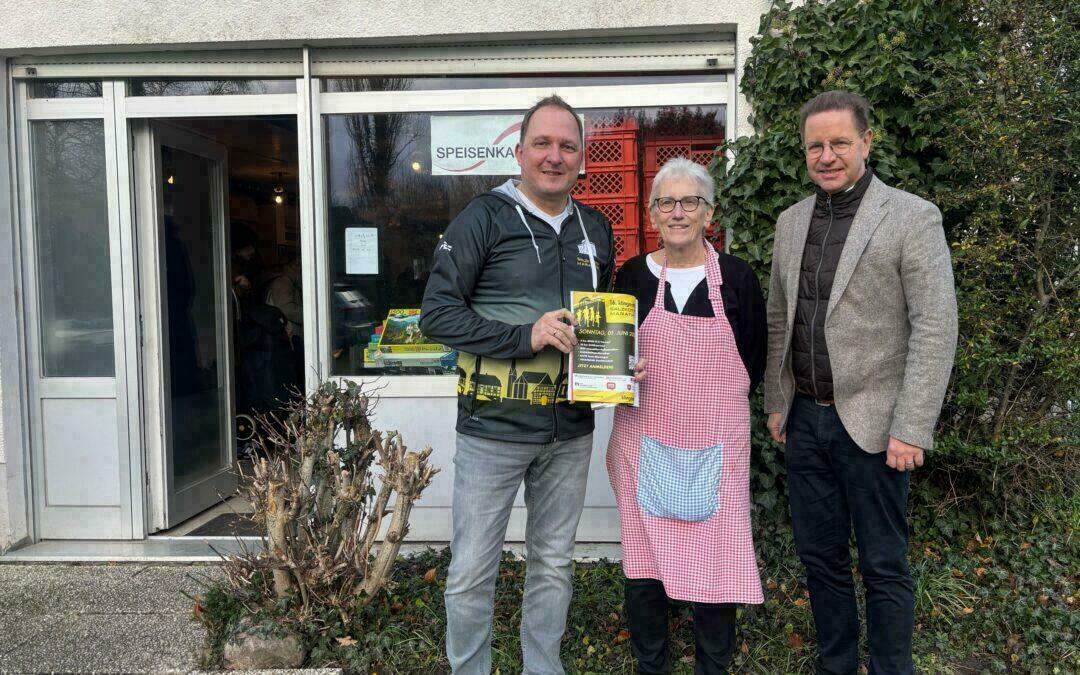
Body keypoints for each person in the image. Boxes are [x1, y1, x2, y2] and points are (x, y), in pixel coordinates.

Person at [420, 95, 642, 674]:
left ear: (582, 158)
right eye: (542, 144)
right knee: (472, 569)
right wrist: (527, 335)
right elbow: (437, 315)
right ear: (518, 151)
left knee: (553, 563)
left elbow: (600, 318)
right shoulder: (482, 217)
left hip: (569, 430)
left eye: (567, 146)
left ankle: (543, 668)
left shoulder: (594, 226)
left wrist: (620, 362)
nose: (554, 156)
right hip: (493, 427)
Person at [764, 90, 958, 674]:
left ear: (867, 143)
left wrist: (911, 426)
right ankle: (837, 665)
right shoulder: (790, 222)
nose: (826, 155)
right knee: (820, 561)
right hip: (804, 422)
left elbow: (936, 324)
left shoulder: (911, 216)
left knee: (883, 564)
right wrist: (778, 402)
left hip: (876, 427)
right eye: (815, 145)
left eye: (839, 143)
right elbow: (781, 317)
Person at [608, 157, 766, 674]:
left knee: (717, 561)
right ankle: (652, 667)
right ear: (652, 214)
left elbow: (754, 361)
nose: (678, 212)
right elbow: (608, 360)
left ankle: (711, 668)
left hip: (717, 445)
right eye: (666, 203)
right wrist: (621, 374)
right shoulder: (630, 276)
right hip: (644, 440)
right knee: (645, 558)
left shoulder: (736, 279)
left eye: (690, 202)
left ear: (709, 212)